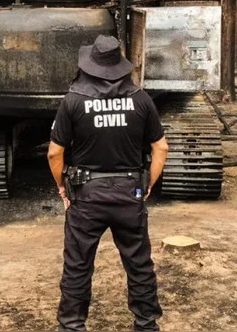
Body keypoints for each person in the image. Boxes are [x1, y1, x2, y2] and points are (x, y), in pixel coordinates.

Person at [47, 35, 169, 332]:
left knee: (78, 264)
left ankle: (72, 325)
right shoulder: (141, 99)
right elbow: (161, 147)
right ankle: (146, 323)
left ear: (90, 66)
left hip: (86, 195)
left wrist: (64, 187)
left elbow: (54, 152)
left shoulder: (74, 100)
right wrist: (147, 185)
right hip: (129, 192)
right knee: (138, 262)